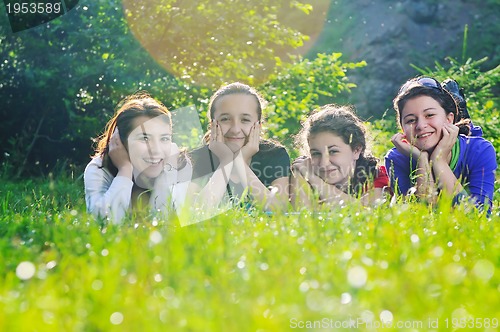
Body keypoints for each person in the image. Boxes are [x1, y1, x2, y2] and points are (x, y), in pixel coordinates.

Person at [385, 76, 496, 212]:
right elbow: (418, 219)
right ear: (403, 129)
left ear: (449, 119)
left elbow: (478, 218)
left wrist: (439, 162)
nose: (420, 125)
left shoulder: (479, 151)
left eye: (429, 115)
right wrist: (421, 160)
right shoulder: (397, 159)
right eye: (411, 120)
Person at [84, 91, 192, 223]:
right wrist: (124, 170)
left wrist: (166, 176)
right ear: (120, 141)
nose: (156, 150)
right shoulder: (100, 168)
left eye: (164, 138)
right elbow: (103, 222)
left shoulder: (178, 163)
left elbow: (166, 223)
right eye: (144, 138)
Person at [188, 82, 290, 213]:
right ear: (212, 124)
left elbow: (279, 211)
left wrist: (241, 163)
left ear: (259, 126)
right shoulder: (196, 159)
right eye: (225, 119)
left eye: (245, 120)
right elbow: (195, 212)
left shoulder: (275, 155)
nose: (235, 129)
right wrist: (226, 162)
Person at [290, 104, 389, 209]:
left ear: (356, 150)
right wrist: (299, 174)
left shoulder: (377, 176)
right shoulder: (304, 171)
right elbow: (303, 217)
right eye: (316, 153)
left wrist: (314, 179)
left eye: (333, 151)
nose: (324, 163)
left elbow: (364, 212)